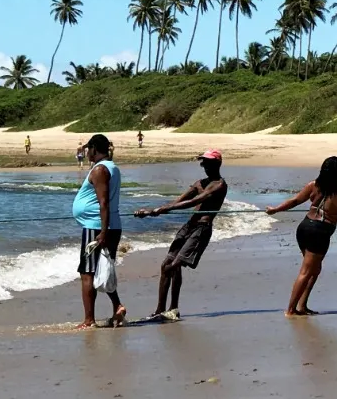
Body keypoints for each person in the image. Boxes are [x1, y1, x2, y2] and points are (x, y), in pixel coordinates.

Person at [135, 149, 229, 321]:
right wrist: (151, 211)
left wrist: (164, 209)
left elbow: (195, 201)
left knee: (173, 266)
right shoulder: (199, 182)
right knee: (167, 264)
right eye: (203, 162)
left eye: (207, 162)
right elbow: (179, 200)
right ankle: (161, 310)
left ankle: (173, 308)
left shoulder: (219, 185)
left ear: (217, 164)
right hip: (189, 226)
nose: (204, 165)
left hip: (202, 228)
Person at [268, 156, 337, 316]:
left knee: (315, 269)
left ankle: (302, 306)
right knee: (306, 271)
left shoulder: (313, 185)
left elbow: (295, 201)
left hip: (304, 227)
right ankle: (291, 310)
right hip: (320, 232)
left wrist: (275, 209)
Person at [73, 133, 125, 328]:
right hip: (108, 225)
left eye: (88, 149)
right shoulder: (111, 167)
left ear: (94, 149)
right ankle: (117, 306)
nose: (86, 152)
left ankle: (89, 320)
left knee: (87, 273)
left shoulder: (100, 169)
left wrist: (102, 232)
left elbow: (103, 203)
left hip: (97, 226)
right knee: (104, 268)